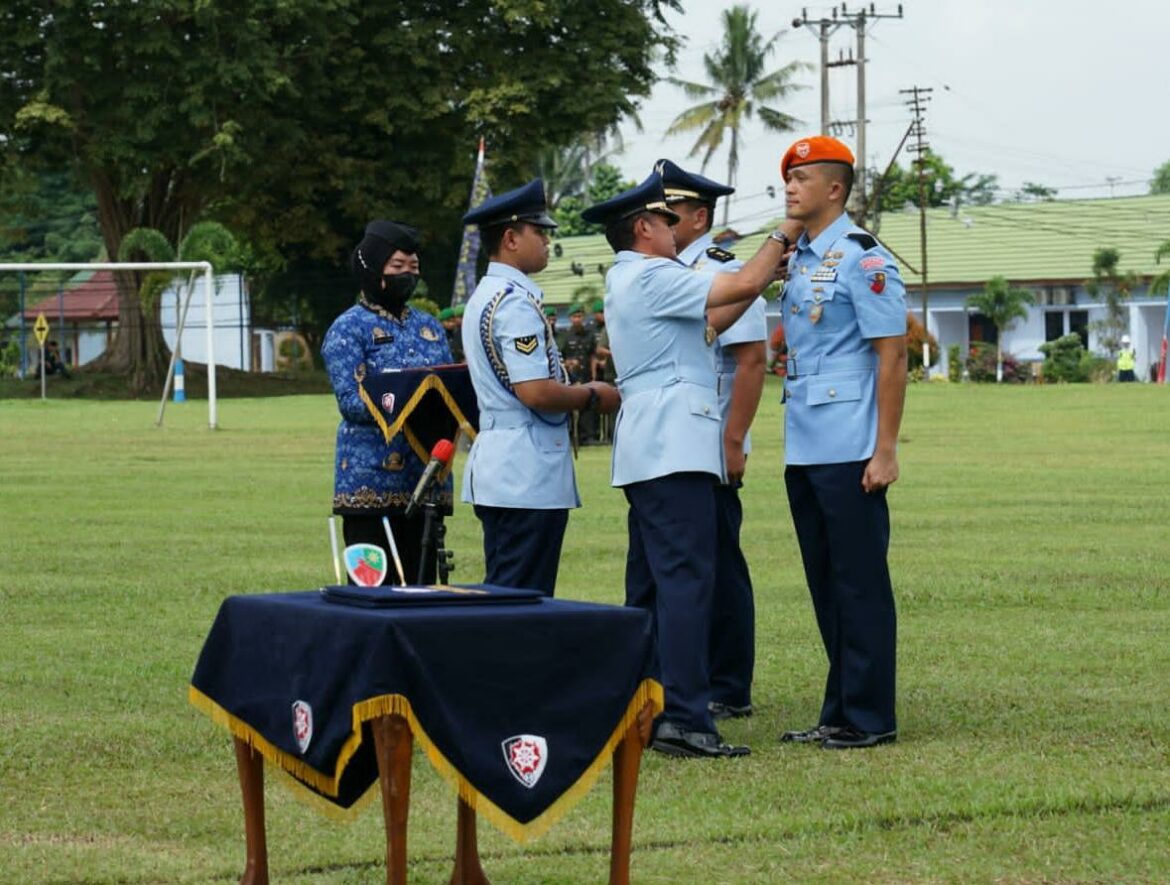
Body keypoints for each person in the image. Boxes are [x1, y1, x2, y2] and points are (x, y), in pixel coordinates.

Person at [583, 173, 797, 758]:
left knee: (652, 582)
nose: (677, 233)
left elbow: (714, 321)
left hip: (652, 445)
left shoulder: (633, 278)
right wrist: (788, 228)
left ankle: (646, 704)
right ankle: (685, 716)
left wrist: (753, 285)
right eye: (667, 224)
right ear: (644, 228)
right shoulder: (653, 274)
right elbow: (745, 279)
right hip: (675, 444)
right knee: (686, 582)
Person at [775, 135, 908, 750]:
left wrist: (886, 448)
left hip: (851, 442)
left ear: (835, 189)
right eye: (788, 179)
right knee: (826, 581)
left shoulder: (864, 258)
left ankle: (870, 716)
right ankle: (840, 708)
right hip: (805, 440)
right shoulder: (798, 258)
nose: (791, 187)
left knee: (859, 582)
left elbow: (893, 354)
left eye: (803, 178)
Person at [461, 178, 620, 595]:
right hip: (523, 473)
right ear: (511, 238)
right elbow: (535, 391)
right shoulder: (513, 301)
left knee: (509, 595)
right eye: (540, 232)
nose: (548, 241)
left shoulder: (487, 294)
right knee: (520, 601)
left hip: (505, 465)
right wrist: (590, 395)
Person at [658, 158, 767, 722]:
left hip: (712, 440)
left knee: (721, 562)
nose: (658, 222)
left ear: (699, 218)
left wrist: (734, 439)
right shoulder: (664, 272)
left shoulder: (722, 270)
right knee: (684, 564)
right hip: (678, 442)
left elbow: (750, 360)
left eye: (668, 213)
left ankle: (728, 683)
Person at [322, 220, 453, 585]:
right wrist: (411, 399)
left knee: (423, 589)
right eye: (397, 267)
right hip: (369, 483)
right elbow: (351, 402)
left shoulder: (429, 327)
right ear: (372, 268)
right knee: (371, 591)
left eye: (413, 267)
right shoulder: (348, 329)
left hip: (425, 477)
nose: (407, 275)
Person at [557, 302, 599, 445]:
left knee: (588, 407)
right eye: (575, 316)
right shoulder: (565, 336)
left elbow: (593, 355)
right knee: (570, 407)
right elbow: (559, 358)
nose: (577, 319)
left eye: (580, 316)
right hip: (571, 377)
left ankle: (589, 436)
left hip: (586, 374)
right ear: (570, 318)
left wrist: (594, 374)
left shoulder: (589, 334)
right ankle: (572, 437)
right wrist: (568, 363)